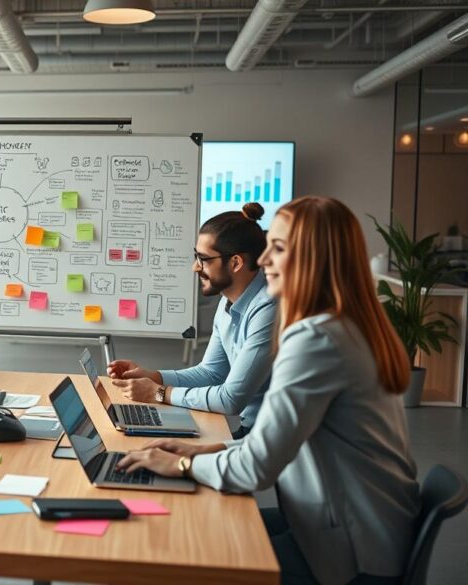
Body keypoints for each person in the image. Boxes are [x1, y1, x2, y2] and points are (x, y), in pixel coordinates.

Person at [117, 197, 420, 585]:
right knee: (198, 531)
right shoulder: (343, 327)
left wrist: (181, 465)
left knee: (181, 554)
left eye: (278, 249)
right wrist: (203, 450)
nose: (264, 261)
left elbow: (256, 468)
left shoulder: (316, 339)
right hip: (361, 528)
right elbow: (270, 440)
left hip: (350, 551)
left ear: (313, 259)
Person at [108, 202, 275, 437]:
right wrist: (152, 376)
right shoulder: (228, 302)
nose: (195, 267)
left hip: (268, 442)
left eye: (204, 259)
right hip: (249, 432)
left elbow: (230, 400)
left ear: (236, 263)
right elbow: (211, 373)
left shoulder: (268, 309)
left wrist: (158, 393)